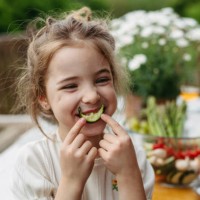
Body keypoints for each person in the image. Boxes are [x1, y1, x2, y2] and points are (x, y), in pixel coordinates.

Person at [10, 7, 155, 200]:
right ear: (43, 98)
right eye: (70, 85)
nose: (92, 96)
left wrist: (127, 174)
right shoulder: (34, 162)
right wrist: (71, 180)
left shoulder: (131, 156)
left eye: (102, 80)